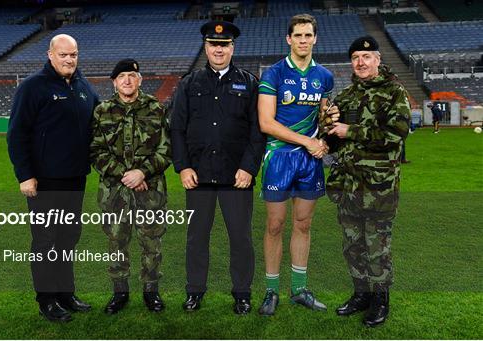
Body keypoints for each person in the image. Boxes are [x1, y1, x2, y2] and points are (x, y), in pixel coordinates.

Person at [170, 20, 265, 314]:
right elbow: (176, 129)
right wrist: (183, 167)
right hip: (197, 178)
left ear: (232, 47)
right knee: (196, 238)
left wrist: (249, 168)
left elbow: (257, 131)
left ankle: (242, 293)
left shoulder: (249, 83)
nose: (218, 49)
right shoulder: (189, 84)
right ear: (206, 47)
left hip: (236, 178)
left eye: (224, 45)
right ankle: (195, 291)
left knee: (240, 238)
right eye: (213, 44)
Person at [7, 34, 99, 322]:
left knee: (68, 238)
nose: (69, 60)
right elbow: (17, 134)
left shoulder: (85, 88)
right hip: (44, 181)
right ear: (50, 55)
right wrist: (25, 175)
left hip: (76, 179)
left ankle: (65, 293)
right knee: (45, 241)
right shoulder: (33, 87)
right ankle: (46, 299)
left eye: (73, 54)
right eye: (63, 55)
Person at [326, 36, 410, 327]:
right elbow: (335, 140)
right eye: (355, 58)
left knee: (377, 246)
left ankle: (380, 299)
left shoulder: (394, 92)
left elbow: (395, 135)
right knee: (353, 245)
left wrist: (351, 130)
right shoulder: (346, 95)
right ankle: (361, 294)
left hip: (378, 188)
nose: (360, 63)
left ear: (377, 60)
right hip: (347, 186)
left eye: (366, 57)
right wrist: (328, 126)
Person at [257, 14, 338, 316]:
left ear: (315, 39)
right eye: (298, 35)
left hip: (310, 162)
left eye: (308, 35)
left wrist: (326, 141)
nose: (303, 40)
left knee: (303, 224)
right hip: (279, 157)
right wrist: (306, 141)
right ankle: (271, 291)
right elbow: (266, 122)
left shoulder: (325, 77)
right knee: (275, 224)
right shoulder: (274, 74)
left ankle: (300, 290)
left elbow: (325, 118)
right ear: (288, 39)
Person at [90, 59, 171, 314]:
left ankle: (151, 292)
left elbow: (167, 149)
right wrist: (126, 174)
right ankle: (120, 292)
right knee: (116, 241)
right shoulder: (102, 111)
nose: (127, 80)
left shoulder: (156, 108)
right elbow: (95, 150)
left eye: (132, 75)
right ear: (114, 82)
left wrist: (142, 172)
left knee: (151, 242)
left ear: (140, 80)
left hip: (150, 190)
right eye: (122, 76)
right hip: (115, 191)